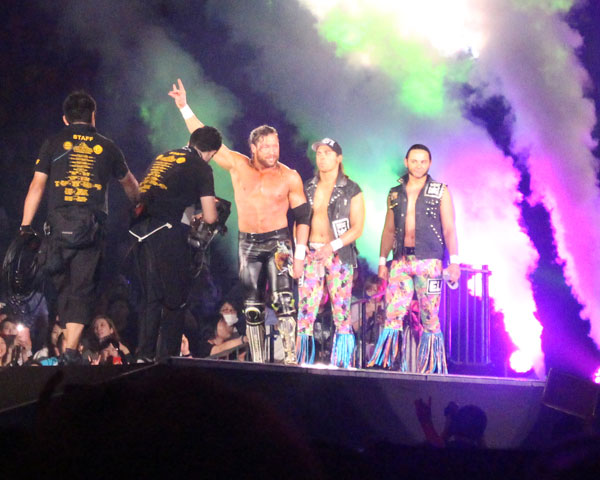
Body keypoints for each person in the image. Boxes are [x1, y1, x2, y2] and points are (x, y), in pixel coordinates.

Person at [169, 79, 310, 364]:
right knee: (252, 306)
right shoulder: (238, 165)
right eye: (266, 146)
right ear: (254, 147)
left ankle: (291, 359)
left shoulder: (289, 176)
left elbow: (303, 215)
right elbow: (204, 138)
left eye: (276, 145)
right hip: (249, 243)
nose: (273, 151)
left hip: (280, 242)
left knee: (284, 301)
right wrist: (184, 107)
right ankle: (258, 361)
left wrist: (300, 256)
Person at [20, 91, 139, 364]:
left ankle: (69, 351)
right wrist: (140, 204)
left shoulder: (53, 143)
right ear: (93, 116)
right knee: (82, 290)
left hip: (57, 230)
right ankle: (70, 352)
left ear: (65, 118)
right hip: (90, 232)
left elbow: (36, 186)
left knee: (64, 288)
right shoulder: (107, 146)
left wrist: (25, 226)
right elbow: (130, 184)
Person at [131, 126, 221, 361]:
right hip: (167, 231)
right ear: (212, 152)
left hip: (139, 231)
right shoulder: (202, 167)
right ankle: (169, 359)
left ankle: (144, 356)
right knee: (175, 299)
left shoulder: (164, 156)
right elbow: (211, 216)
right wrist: (208, 215)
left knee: (151, 298)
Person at [368, 144, 459, 373]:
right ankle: (388, 364)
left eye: (423, 161)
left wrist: (455, 262)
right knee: (393, 312)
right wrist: (382, 261)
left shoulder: (440, 190)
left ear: (429, 163)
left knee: (429, 315)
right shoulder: (395, 192)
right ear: (406, 161)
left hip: (430, 261)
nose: (418, 165)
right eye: (414, 160)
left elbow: (449, 228)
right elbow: (389, 230)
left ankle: (431, 367)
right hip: (400, 260)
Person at [295, 139, 365, 368]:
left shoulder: (352, 189)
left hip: (338, 254)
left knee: (342, 312)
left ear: (338, 158)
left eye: (327, 152)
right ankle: (300, 363)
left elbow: (358, 227)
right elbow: (299, 219)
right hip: (312, 252)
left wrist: (332, 246)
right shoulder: (308, 186)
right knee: (305, 311)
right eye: (319, 153)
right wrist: (300, 248)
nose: (322, 156)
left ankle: (342, 365)